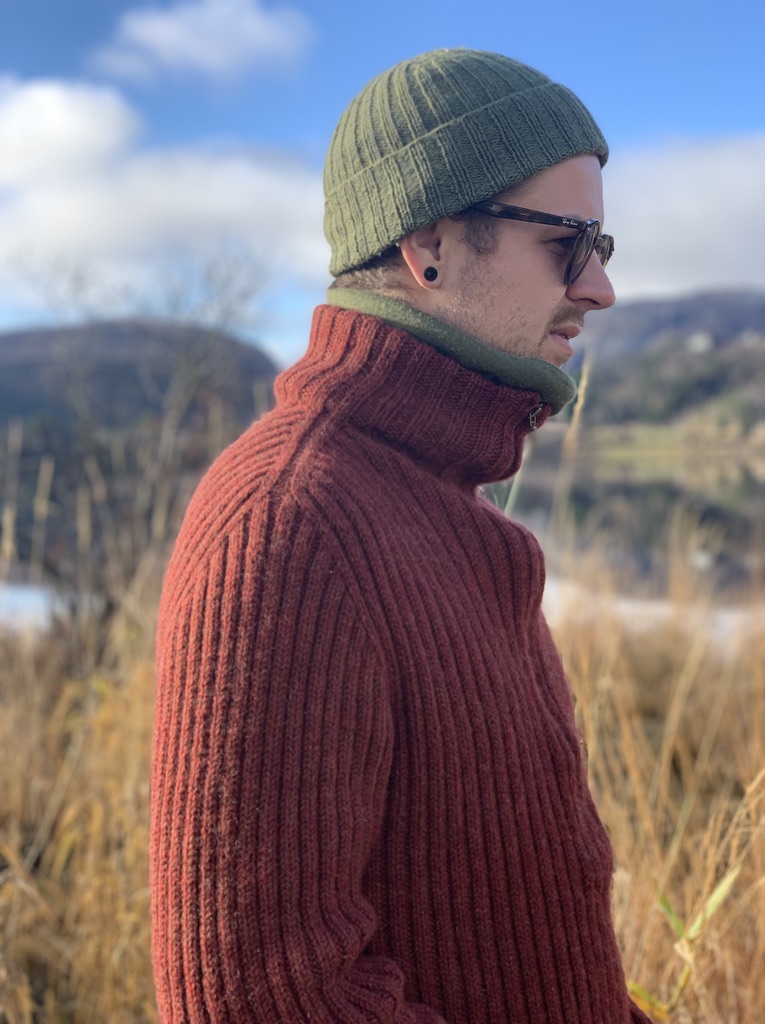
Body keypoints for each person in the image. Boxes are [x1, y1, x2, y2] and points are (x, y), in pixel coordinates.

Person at [150, 49, 650, 1023]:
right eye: (567, 244)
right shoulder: (291, 524)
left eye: (604, 246)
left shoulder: (431, 496)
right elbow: (257, 1005)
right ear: (429, 250)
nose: (599, 288)